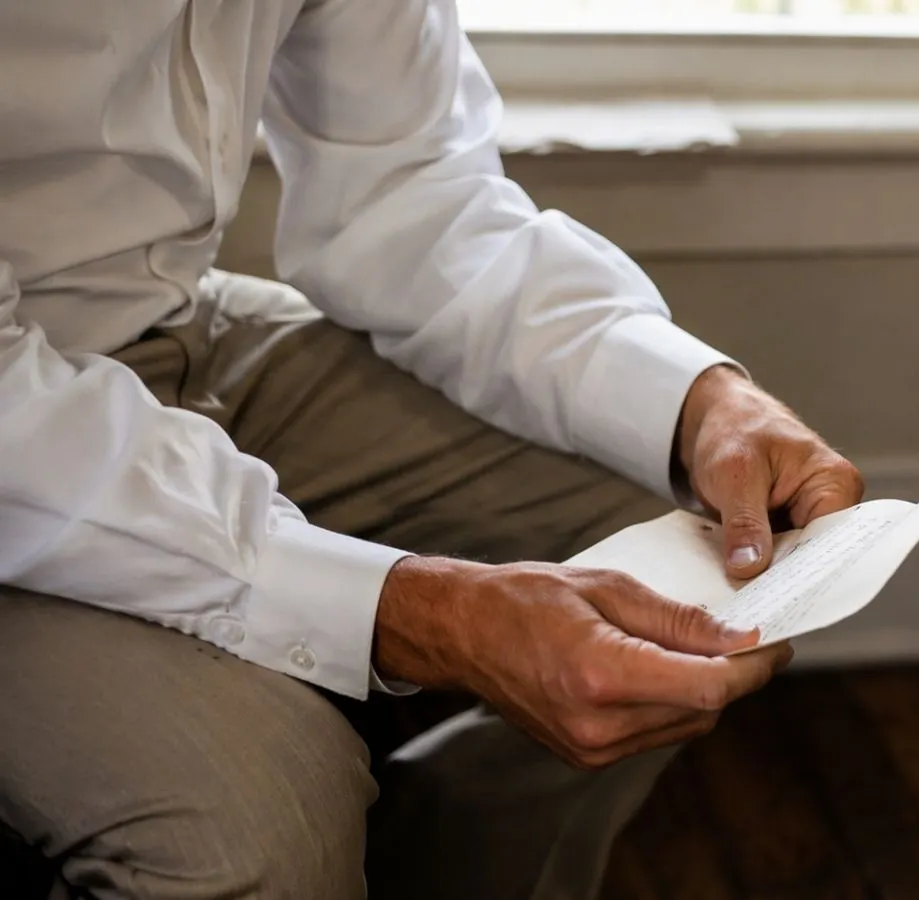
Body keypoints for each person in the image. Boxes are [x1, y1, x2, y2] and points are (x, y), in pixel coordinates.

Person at [0, 1, 865, 898]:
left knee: (684, 558)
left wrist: (701, 400)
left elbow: (410, 194)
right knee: (258, 837)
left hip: (172, 317)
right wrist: (427, 613)